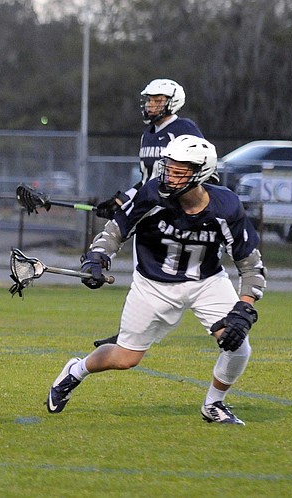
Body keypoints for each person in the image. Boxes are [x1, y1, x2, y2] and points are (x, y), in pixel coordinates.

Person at [46, 135, 266, 425]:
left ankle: (214, 404)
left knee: (238, 345)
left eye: (179, 171)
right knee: (126, 358)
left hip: (206, 281)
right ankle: (76, 370)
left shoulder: (226, 207)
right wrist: (97, 257)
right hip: (154, 285)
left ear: (200, 173)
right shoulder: (152, 195)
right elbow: (116, 230)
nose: (169, 176)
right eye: (168, 167)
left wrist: (244, 308)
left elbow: (250, 266)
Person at [92, 78, 205, 347]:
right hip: (151, 210)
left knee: (175, 279)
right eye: (149, 99)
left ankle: (135, 333)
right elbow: (147, 181)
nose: (151, 105)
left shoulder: (183, 129)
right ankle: (129, 332)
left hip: (175, 212)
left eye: (158, 100)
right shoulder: (148, 135)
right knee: (142, 275)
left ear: (172, 101)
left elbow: (198, 168)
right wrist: (122, 200)